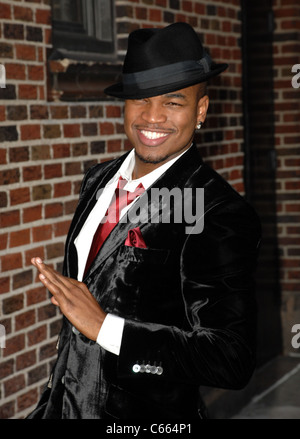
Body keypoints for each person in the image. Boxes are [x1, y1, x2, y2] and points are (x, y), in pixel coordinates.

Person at [27, 22, 261, 419]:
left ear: (200, 110)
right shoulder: (99, 179)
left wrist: (105, 327)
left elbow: (229, 358)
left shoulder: (218, 212)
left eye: (173, 101)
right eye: (140, 99)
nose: (151, 118)